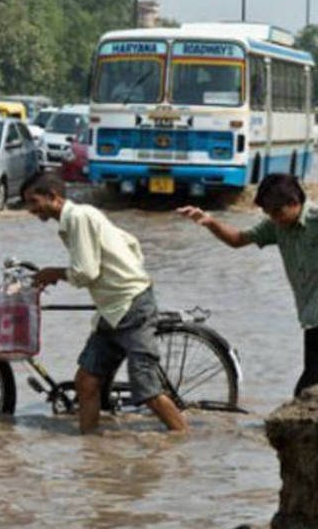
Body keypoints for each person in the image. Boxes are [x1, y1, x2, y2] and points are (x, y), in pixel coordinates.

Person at [21, 172, 188, 434]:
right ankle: (89, 451)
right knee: (86, 382)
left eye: (33, 201)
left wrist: (53, 273)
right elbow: (130, 242)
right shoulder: (80, 216)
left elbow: (86, 272)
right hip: (112, 310)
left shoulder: (78, 218)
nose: (31, 209)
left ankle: (183, 440)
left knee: (147, 390)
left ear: (53, 197)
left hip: (131, 307)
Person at [178, 174, 318, 397]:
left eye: (277, 213)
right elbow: (238, 240)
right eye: (269, 214)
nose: (274, 219)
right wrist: (211, 222)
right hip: (310, 317)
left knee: (306, 389)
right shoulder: (276, 225)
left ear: (294, 203)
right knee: (310, 386)